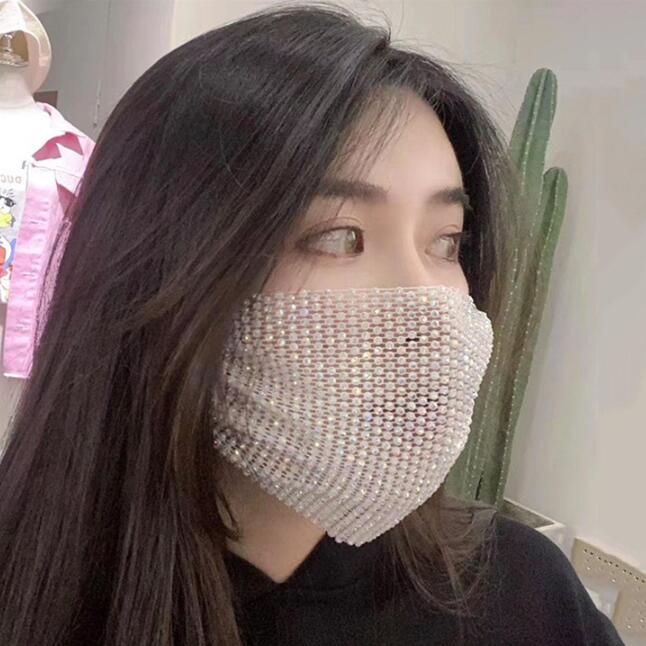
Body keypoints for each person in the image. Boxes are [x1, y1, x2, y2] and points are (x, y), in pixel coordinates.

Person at [0, 3, 625, 645]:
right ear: (165, 267)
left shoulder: (526, 595)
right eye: (339, 237)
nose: (427, 307)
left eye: (446, 241)